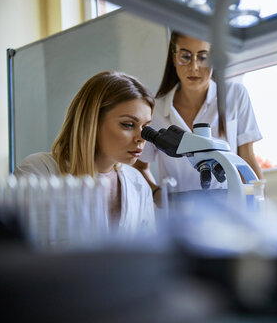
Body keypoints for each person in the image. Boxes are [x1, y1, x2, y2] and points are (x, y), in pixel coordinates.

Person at [14, 71, 156, 234]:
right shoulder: (38, 172)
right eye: (128, 124)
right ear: (92, 121)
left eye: (145, 127)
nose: (141, 138)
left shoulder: (138, 184)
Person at [134, 31, 264, 200]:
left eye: (203, 57)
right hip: (177, 216)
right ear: (174, 58)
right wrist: (158, 195)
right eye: (185, 56)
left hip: (227, 209)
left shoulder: (235, 95)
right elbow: (140, 167)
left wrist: (259, 207)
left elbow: (247, 160)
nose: (194, 66)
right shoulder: (155, 110)